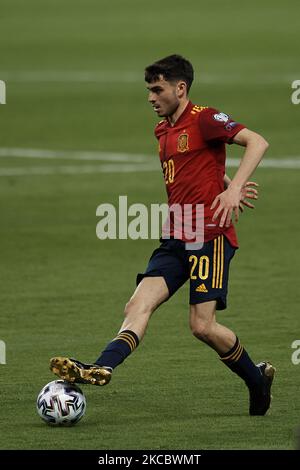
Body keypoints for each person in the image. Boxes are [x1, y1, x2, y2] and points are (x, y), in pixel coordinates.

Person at [50, 54, 275, 415]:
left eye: (158, 89)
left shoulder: (205, 118)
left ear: (180, 88)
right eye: (148, 90)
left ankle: (256, 378)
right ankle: (102, 366)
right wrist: (226, 180)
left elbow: (257, 142)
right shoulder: (163, 130)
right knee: (137, 305)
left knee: (202, 327)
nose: (151, 97)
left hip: (209, 236)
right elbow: (200, 168)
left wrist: (234, 190)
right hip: (177, 233)